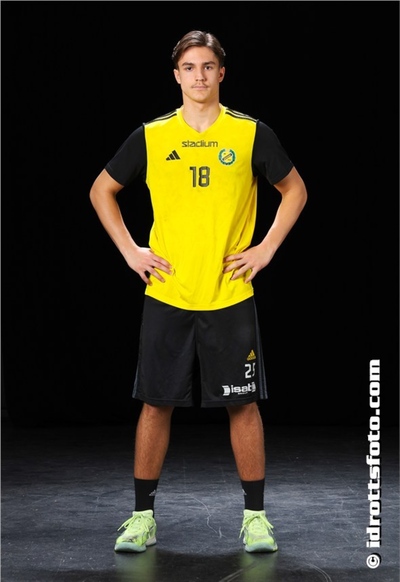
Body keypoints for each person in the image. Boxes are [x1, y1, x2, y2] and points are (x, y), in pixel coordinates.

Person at [89, 29, 307, 554]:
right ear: (177, 75)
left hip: (229, 294)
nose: (200, 75)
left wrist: (266, 249)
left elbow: (295, 189)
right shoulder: (152, 135)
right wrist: (131, 251)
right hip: (169, 293)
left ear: (222, 73)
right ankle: (142, 518)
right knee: (155, 405)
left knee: (244, 406)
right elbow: (102, 190)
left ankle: (256, 518)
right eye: (189, 67)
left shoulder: (250, 133)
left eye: (208, 66)